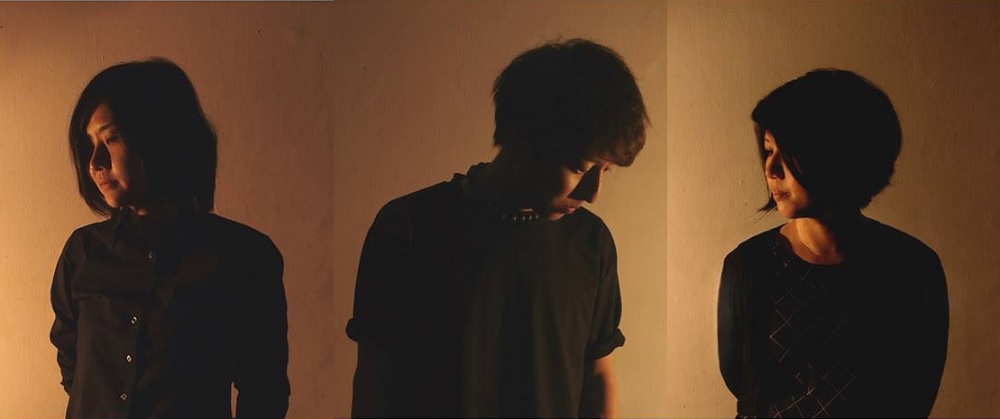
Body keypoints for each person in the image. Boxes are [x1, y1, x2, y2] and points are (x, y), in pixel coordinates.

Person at [347, 39, 649, 418]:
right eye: (579, 168)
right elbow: (375, 377)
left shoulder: (592, 243)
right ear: (523, 139)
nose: (593, 194)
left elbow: (597, 373)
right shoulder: (408, 228)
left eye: (606, 172)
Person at [49, 58, 290, 418]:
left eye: (111, 138)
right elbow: (71, 358)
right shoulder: (82, 252)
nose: (95, 162)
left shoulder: (244, 257)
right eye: (89, 143)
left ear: (158, 135)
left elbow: (264, 389)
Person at [717, 69, 949, 418]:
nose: (771, 168)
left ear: (835, 155)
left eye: (788, 152)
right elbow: (741, 379)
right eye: (767, 150)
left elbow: (915, 392)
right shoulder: (747, 266)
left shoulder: (913, 269)